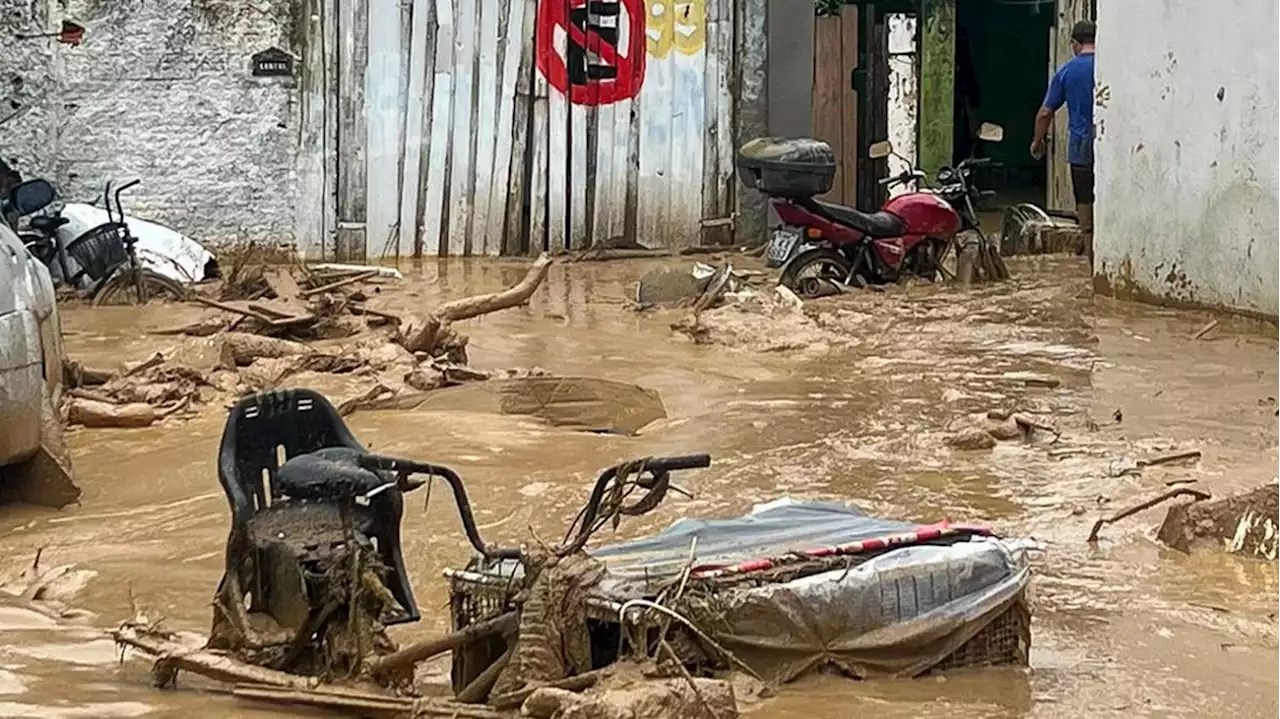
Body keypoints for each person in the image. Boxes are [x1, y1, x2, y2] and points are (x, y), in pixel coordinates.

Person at [1031, 19, 1095, 265]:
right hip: (1110, 147)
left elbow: (1045, 113)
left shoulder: (1067, 71)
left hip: (1081, 149)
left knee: (1086, 210)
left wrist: (1037, 142)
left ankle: (1092, 265)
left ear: (1075, 44)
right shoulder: (1110, 67)